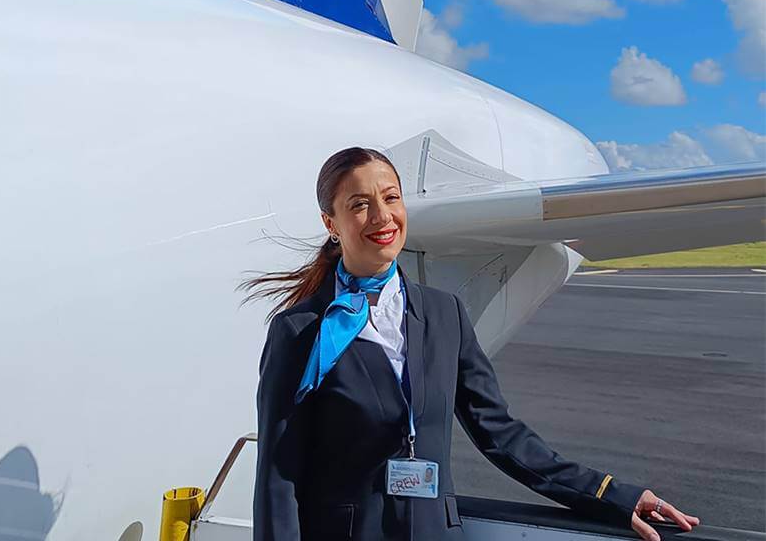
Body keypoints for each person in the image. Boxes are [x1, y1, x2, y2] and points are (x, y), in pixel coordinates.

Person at [242, 147, 700, 541]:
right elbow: (277, 477)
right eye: (359, 204)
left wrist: (611, 495)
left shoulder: (443, 314)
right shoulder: (300, 331)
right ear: (331, 223)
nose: (382, 217)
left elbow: (500, 434)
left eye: (391, 197)